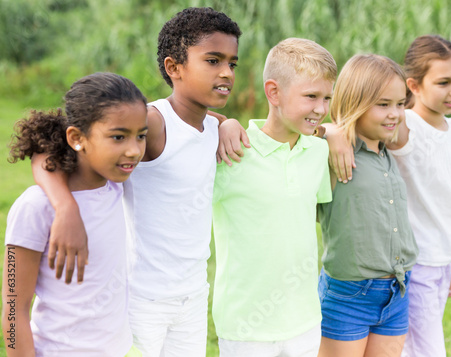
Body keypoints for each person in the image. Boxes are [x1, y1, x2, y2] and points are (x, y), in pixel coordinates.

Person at [30, 7, 243, 357]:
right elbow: (46, 153)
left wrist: (228, 122)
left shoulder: (210, 126)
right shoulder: (152, 123)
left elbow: (202, 125)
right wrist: (65, 207)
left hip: (192, 296)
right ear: (174, 68)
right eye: (213, 60)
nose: (226, 72)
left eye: (232, 63)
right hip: (140, 297)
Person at [326, 35, 451, 357]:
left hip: (420, 273)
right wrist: (332, 130)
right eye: (444, 82)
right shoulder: (396, 134)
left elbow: (449, 203)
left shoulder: (447, 136)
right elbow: (308, 130)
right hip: (391, 274)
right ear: (415, 87)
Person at [1, 72, 148, 356]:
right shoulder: (35, 207)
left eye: (141, 136)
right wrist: (65, 208)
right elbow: (13, 309)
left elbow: (181, 111)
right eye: (118, 137)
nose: (134, 150)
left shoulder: (116, 188)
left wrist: (224, 122)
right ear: (77, 138)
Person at [212, 37, 336, 357]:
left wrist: (335, 133)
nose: (321, 108)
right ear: (273, 92)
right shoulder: (232, 151)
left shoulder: (319, 151)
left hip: (305, 320)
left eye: (327, 98)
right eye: (311, 96)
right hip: (245, 326)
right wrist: (221, 123)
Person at [316, 54, 419, 357]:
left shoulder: (386, 151)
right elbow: (289, 134)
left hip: (397, 291)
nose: (395, 114)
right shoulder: (334, 151)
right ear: (355, 102)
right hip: (349, 296)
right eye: (383, 104)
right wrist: (330, 130)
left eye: (400, 104)